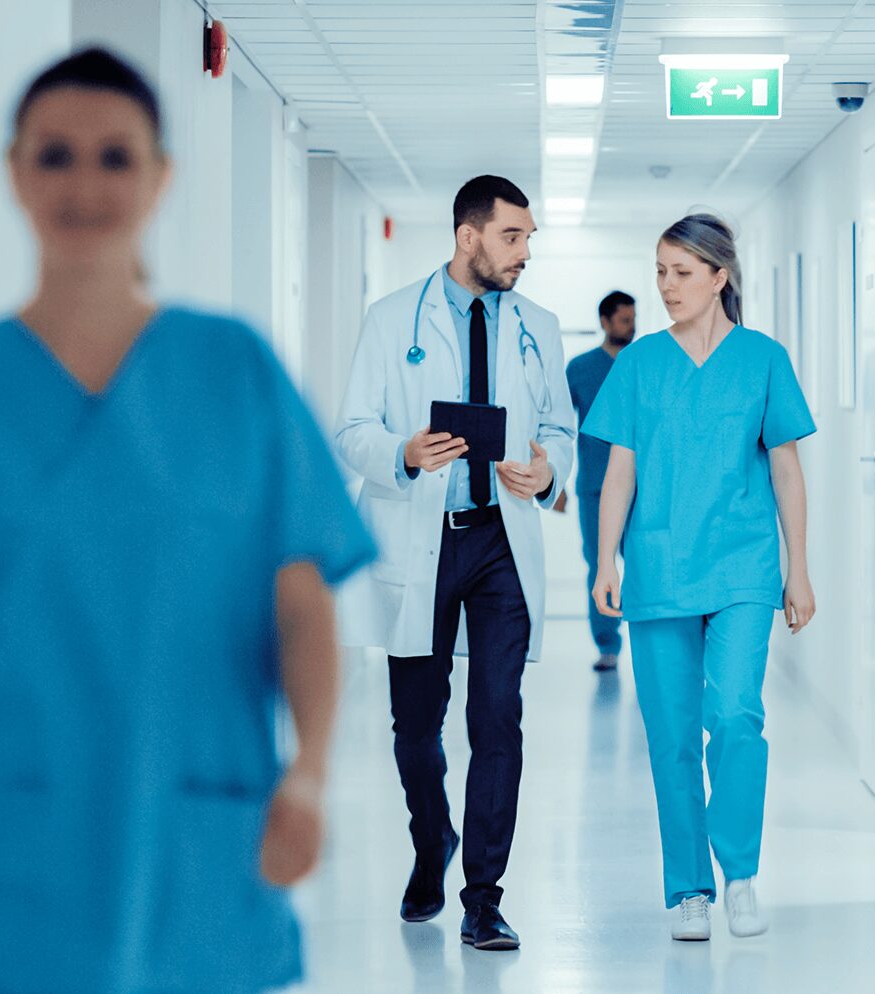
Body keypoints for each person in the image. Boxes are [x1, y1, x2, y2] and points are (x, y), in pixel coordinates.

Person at [0, 48, 374, 994]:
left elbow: (301, 605)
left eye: (115, 157)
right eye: (55, 155)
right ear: (14, 172)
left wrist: (310, 774)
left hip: (190, 838)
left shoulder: (234, 374)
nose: (85, 185)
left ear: (160, 176)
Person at [334, 175, 575, 951]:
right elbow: (351, 430)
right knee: (416, 727)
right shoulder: (391, 319)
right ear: (468, 236)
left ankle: (483, 897)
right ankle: (431, 840)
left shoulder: (539, 325)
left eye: (529, 238)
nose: (525, 252)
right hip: (422, 537)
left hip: (501, 541)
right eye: (514, 237)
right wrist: (401, 453)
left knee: (497, 717)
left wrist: (548, 473)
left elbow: (560, 430)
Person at [584, 213, 816, 942]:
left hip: (745, 566)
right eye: (660, 272)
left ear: (720, 277)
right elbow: (619, 470)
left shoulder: (763, 359)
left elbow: (786, 467)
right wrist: (603, 560)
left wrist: (799, 569)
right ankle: (690, 889)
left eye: (682, 273)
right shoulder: (641, 363)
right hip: (659, 568)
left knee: (737, 717)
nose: (666, 287)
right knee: (674, 736)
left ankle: (739, 873)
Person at [565, 290, 637, 672]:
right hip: (594, 486)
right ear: (605, 322)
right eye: (624, 320)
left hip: (643, 489)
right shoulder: (579, 368)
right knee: (600, 565)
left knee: (643, 563)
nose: (631, 326)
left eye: (633, 319)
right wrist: (556, 482)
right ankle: (607, 644)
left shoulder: (645, 363)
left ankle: (648, 641)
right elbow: (558, 428)